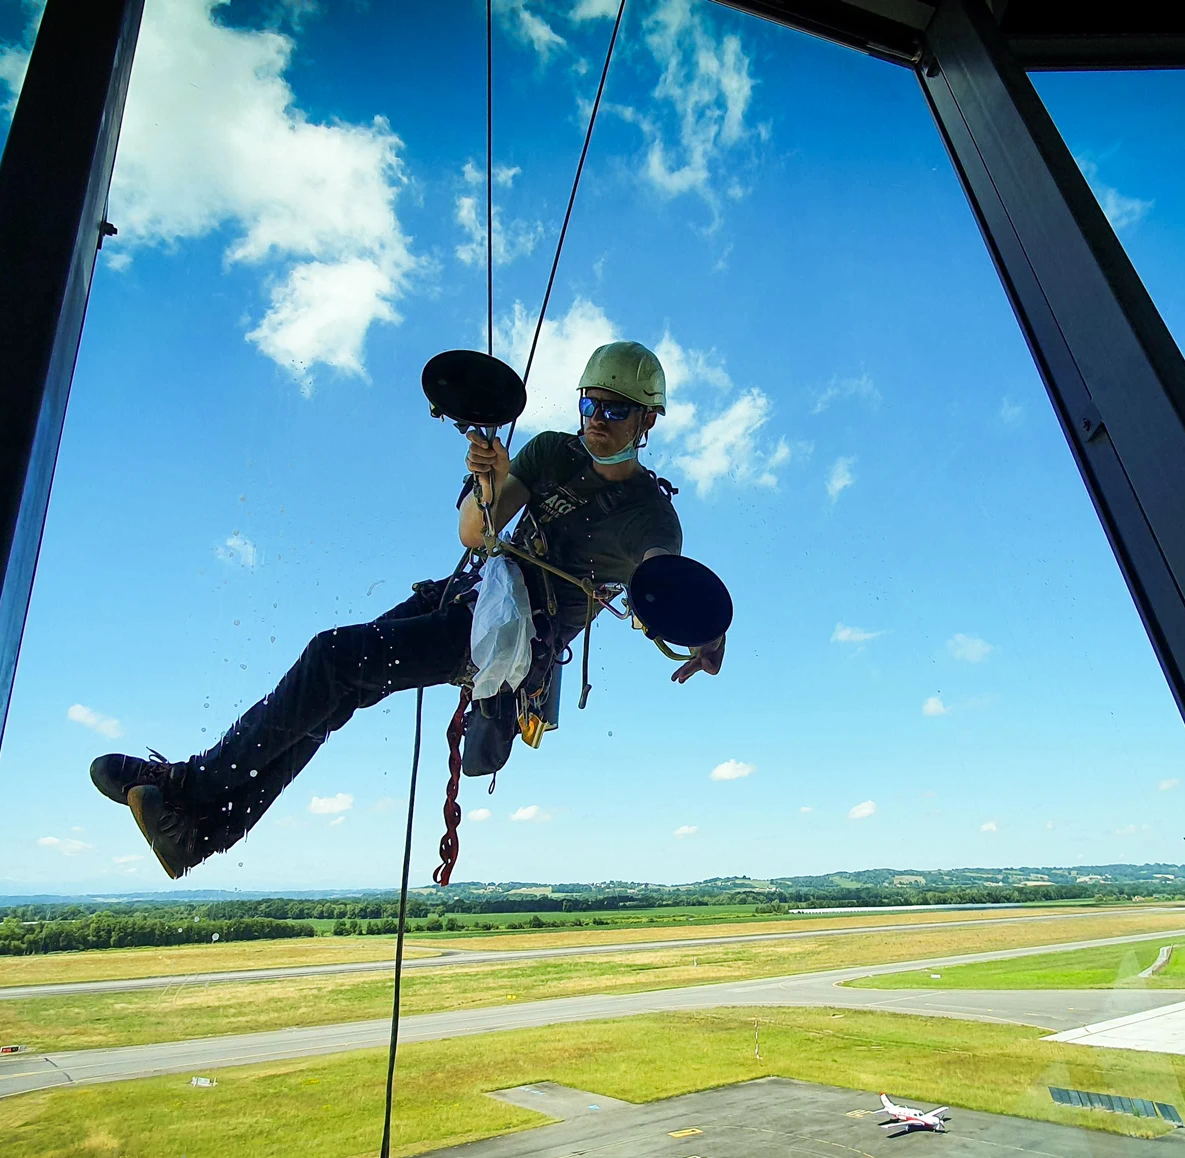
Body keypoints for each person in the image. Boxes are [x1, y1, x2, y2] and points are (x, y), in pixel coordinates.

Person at [90, 340, 726, 878]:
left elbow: (658, 589)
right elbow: (477, 533)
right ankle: (202, 833)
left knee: (333, 658)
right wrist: (491, 480)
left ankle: (192, 790)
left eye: (615, 410)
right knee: (337, 688)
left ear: (647, 422)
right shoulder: (552, 452)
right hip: (470, 597)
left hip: (510, 638)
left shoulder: (652, 519)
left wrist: (699, 630)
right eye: (590, 402)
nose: (597, 419)